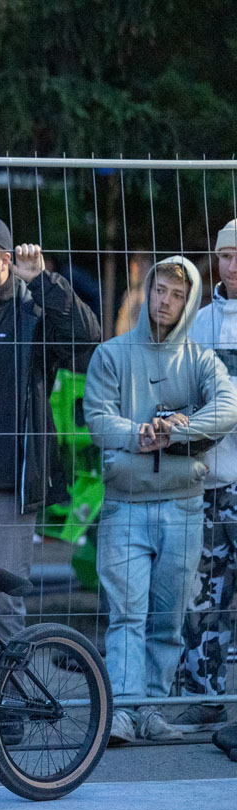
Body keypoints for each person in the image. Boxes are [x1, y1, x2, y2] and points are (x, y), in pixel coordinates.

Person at [85, 256, 237, 745]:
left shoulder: (199, 359)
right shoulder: (110, 355)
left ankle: (151, 707)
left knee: (168, 617)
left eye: (176, 293)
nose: (165, 301)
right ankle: (124, 712)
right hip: (126, 502)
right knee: (127, 613)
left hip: (185, 503)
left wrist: (179, 430)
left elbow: (229, 406)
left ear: (188, 300)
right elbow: (97, 419)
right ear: (146, 292)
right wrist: (139, 434)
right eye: (159, 290)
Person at [0, 214, 100, 678]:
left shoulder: (33, 310)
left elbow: (85, 340)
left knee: (1, 601)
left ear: (7, 261)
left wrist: (45, 282)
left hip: (9, 485)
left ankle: (6, 708)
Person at [178, 218, 237, 731]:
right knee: (207, 594)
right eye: (225, 256)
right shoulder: (199, 324)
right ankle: (204, 692)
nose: (233, 266)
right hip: (214, 482)